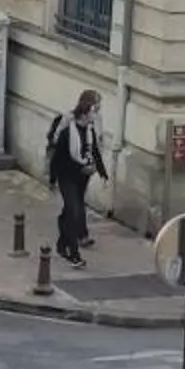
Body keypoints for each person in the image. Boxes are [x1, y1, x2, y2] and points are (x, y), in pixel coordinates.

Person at [46, 89, 107, 266]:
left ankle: (62, 242)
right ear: (85, 111)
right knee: (73, 209)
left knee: (71, 210)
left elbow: (95, 150)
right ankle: (74, 253)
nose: (96, 114)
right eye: (95, 109)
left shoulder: (90, 130)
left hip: (82, 175)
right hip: (67, 176)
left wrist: (102, 173)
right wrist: (52, 179)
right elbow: (57, 158)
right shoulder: (67, 130)